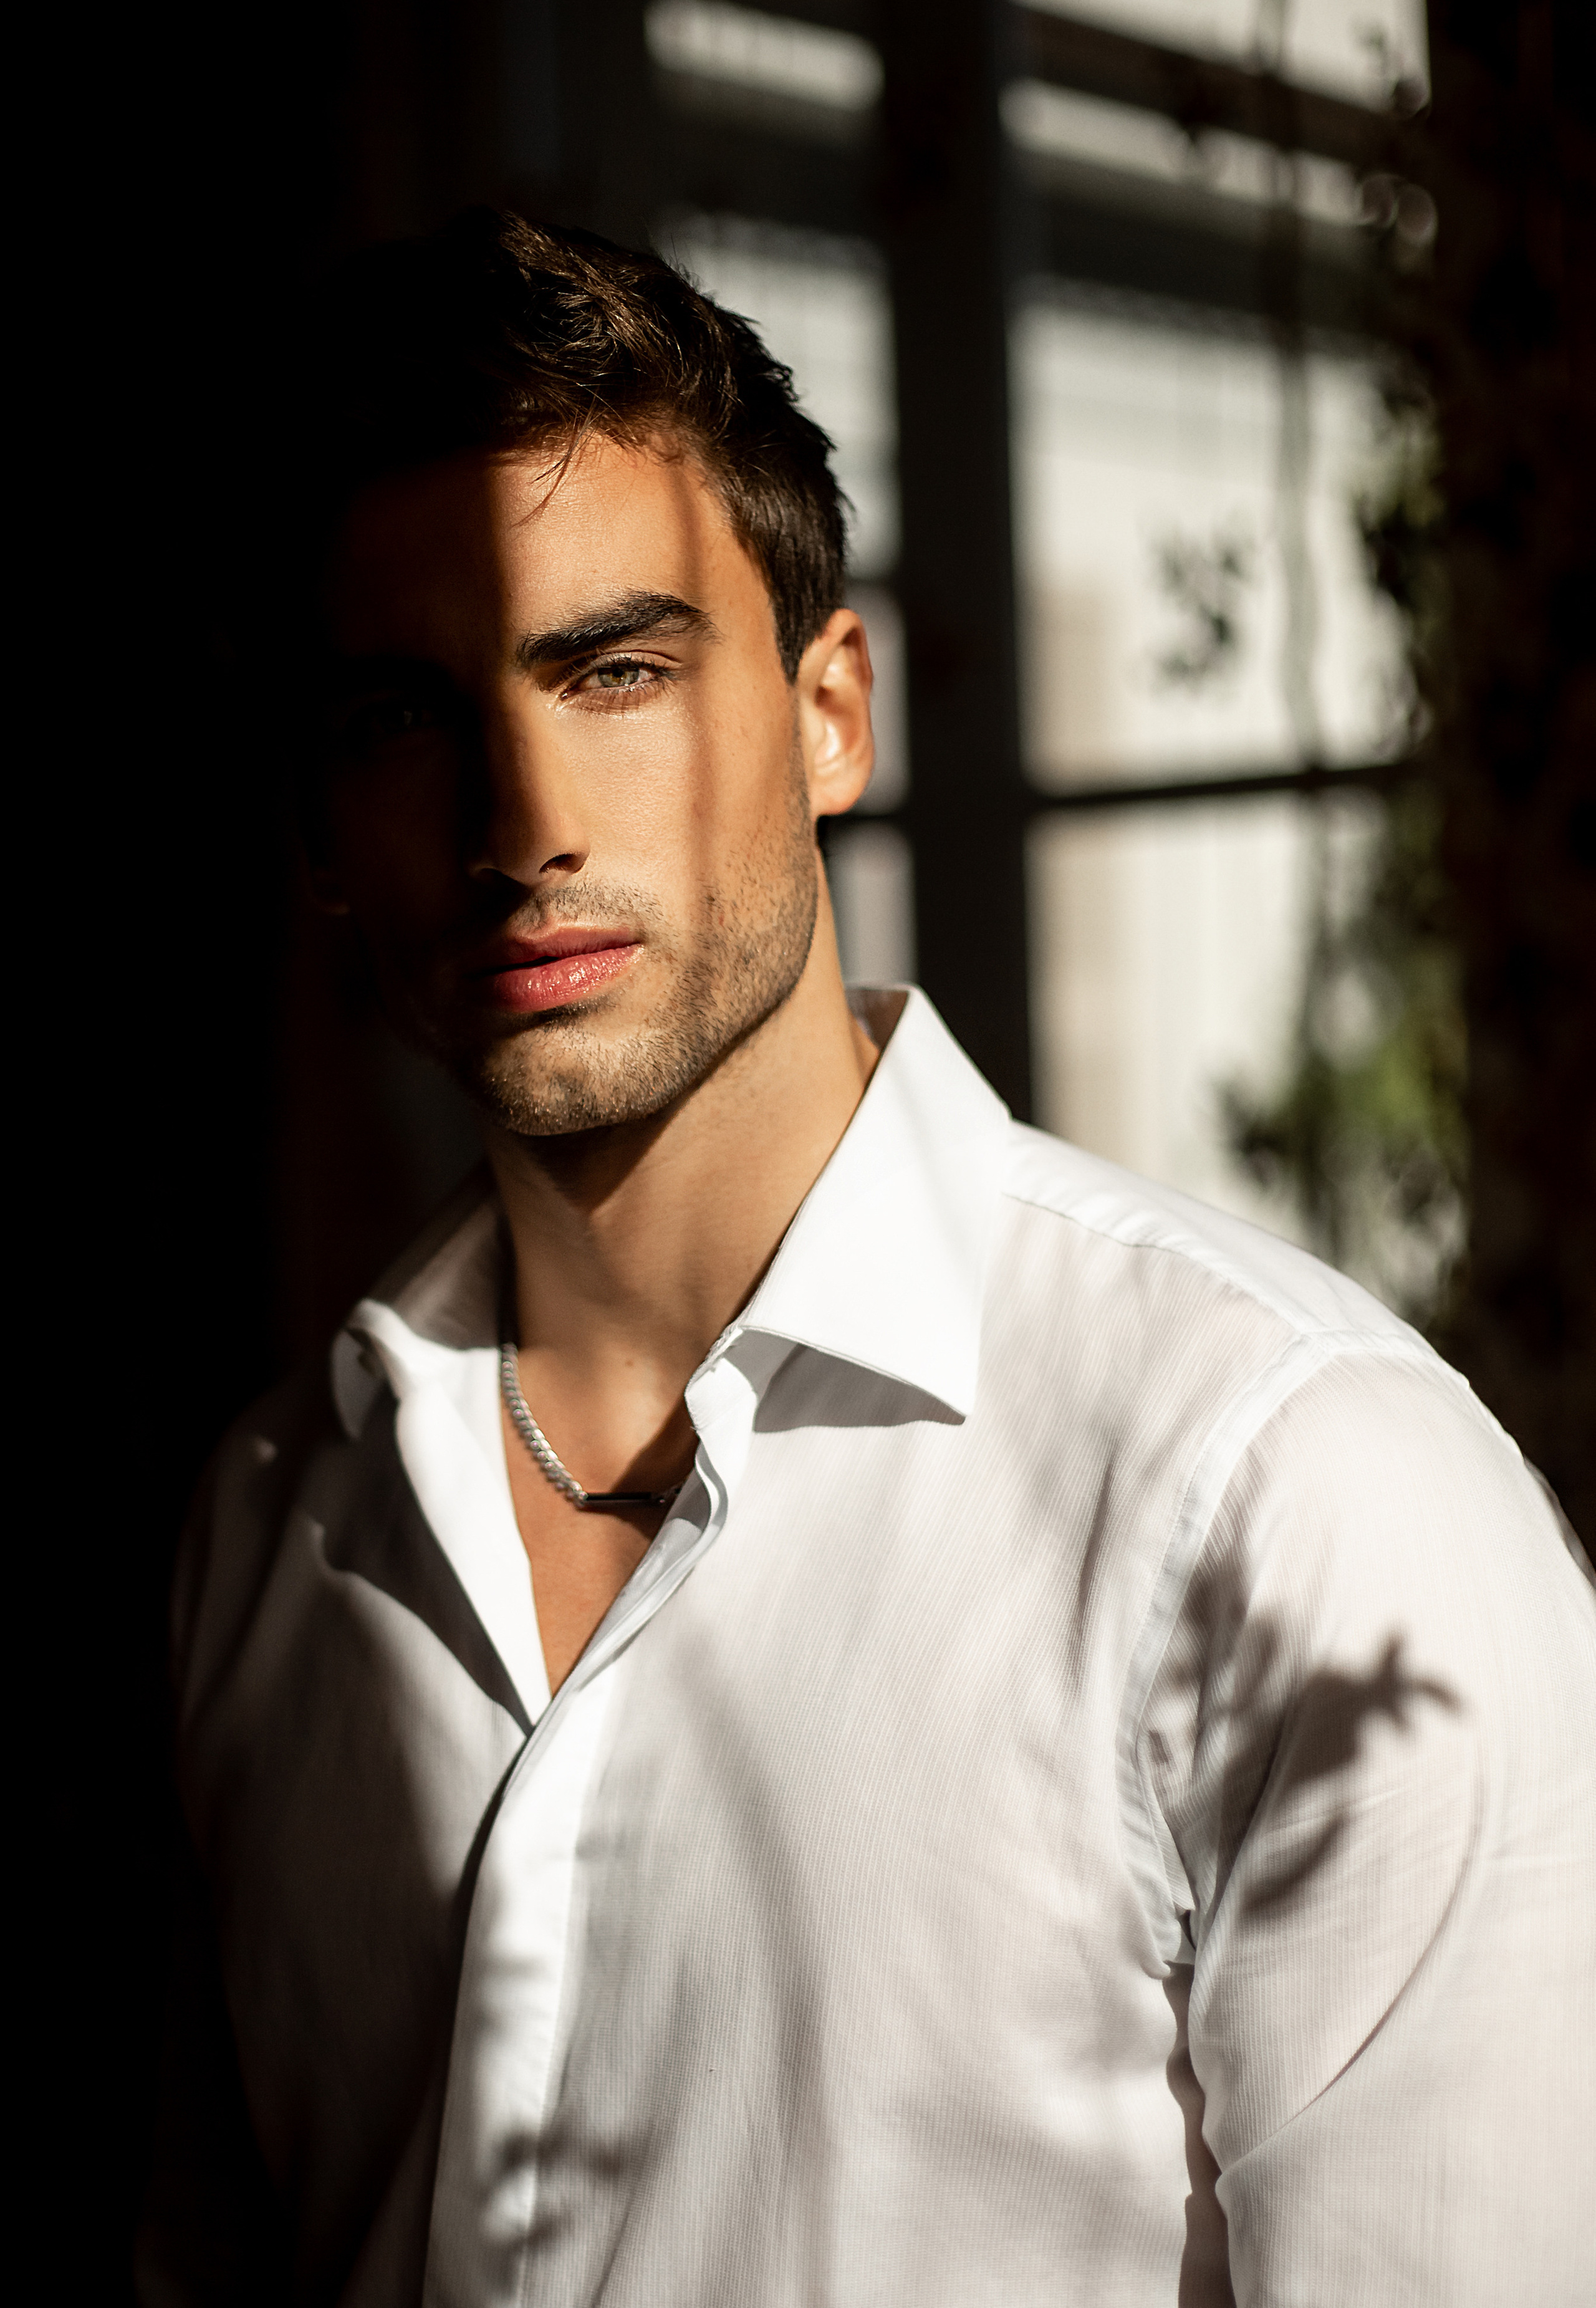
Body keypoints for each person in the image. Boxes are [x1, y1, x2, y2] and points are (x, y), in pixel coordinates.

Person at [141, 210, 1595, 2308]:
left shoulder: (1293, 1497)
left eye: (616, 669)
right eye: (401, 721)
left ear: (834, 715)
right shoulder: (271, 1533)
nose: (520, 813)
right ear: (318, 837)